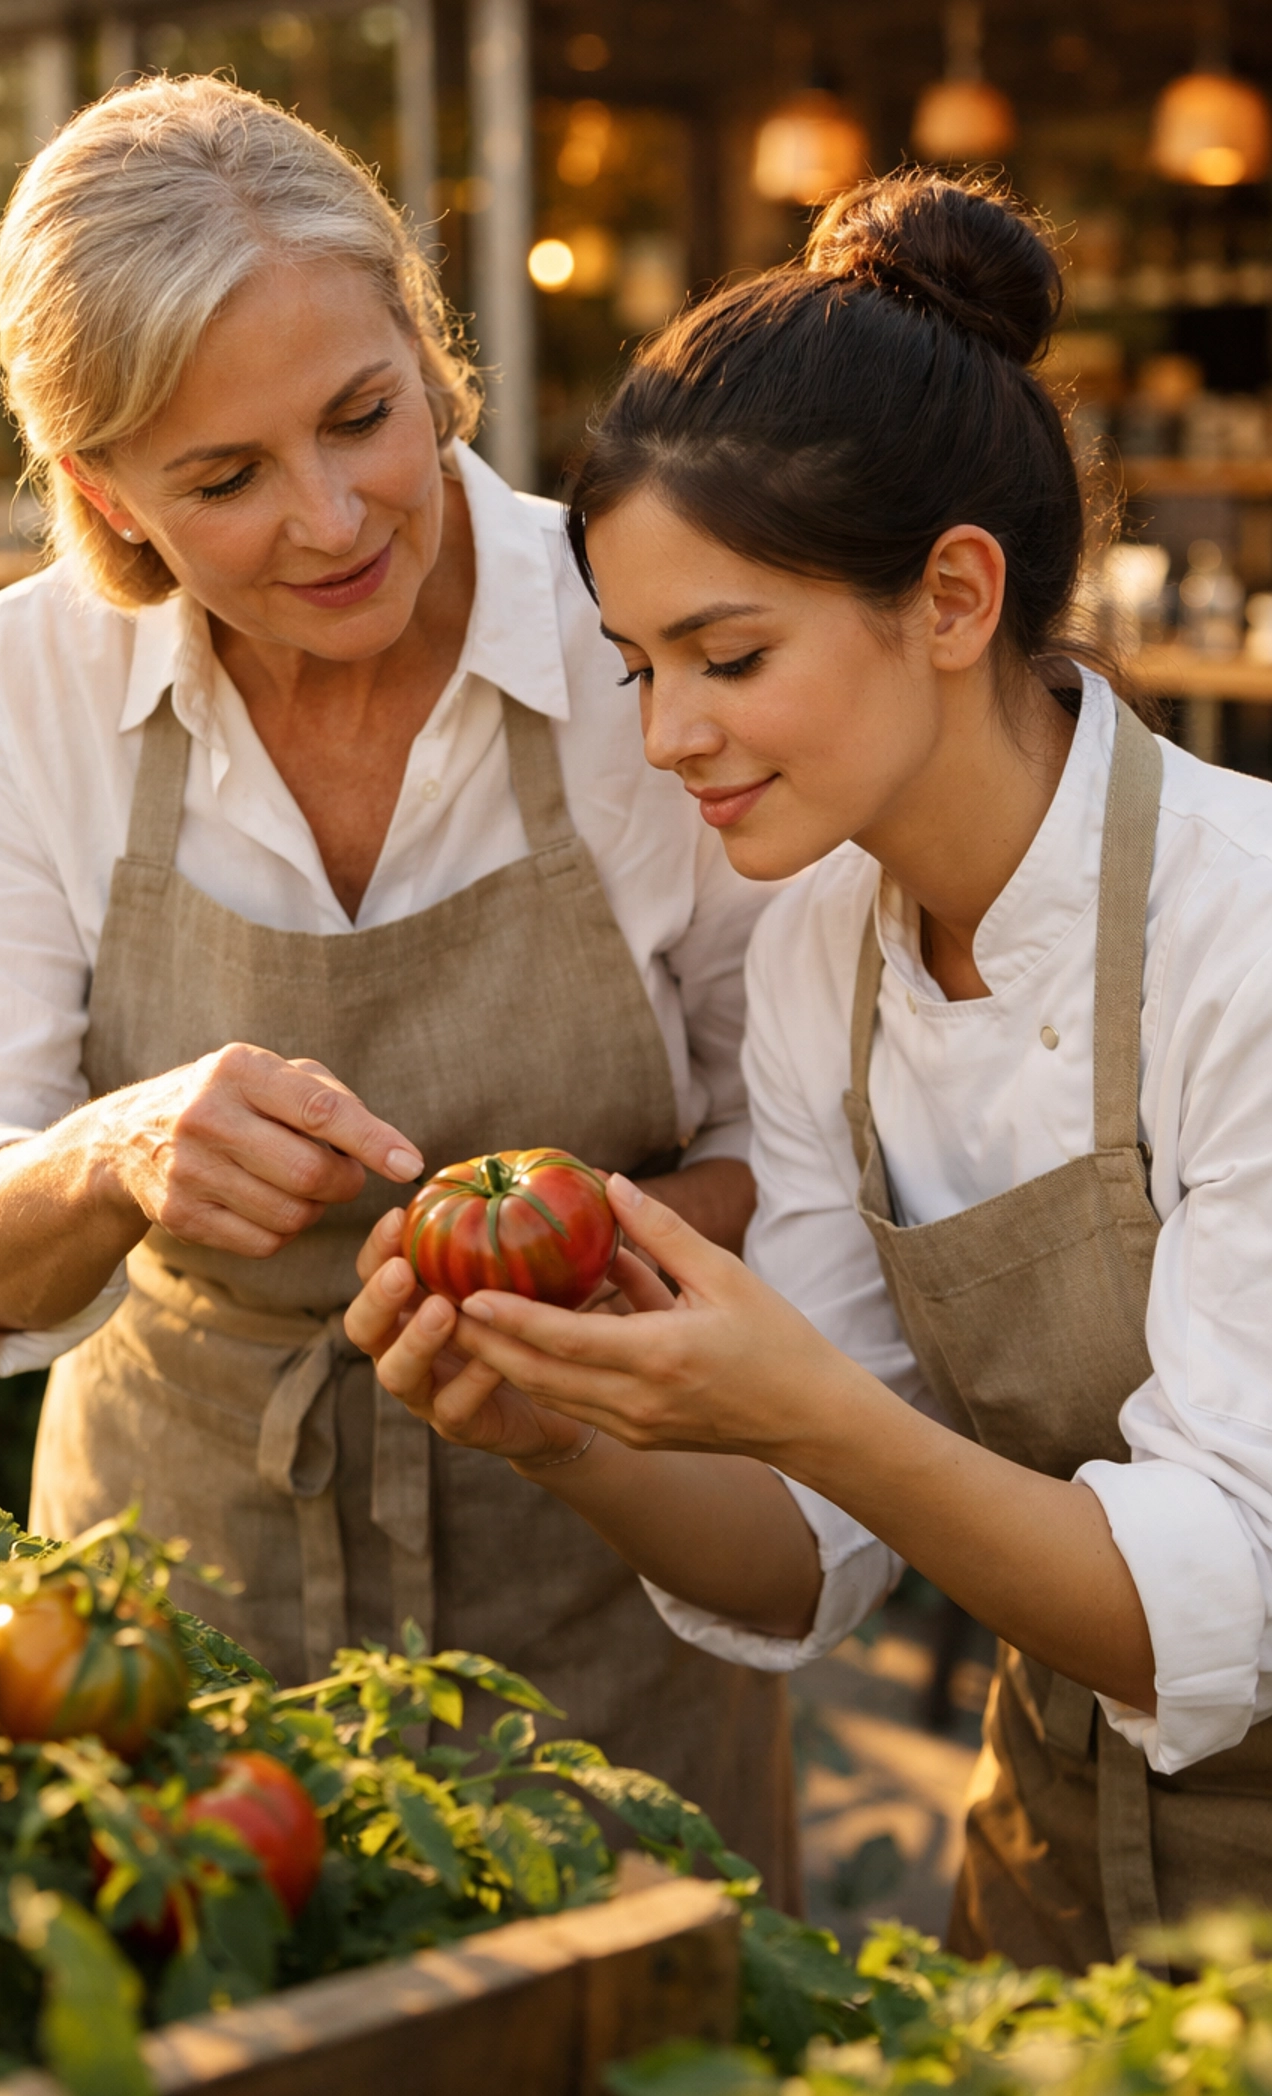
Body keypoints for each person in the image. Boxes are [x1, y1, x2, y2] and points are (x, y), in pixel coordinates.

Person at [0, 74, 800, 1897]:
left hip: (611, 1570)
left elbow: (805, 1144)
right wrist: (116, 1154)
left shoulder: (636, 639)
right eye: (226, 478)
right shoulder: (13, 696)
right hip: (165, 1626)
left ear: (431, 361)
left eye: (366, 415)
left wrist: (564, 1270)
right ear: (104, 492)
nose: (340, 513)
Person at [347, 170, 1272, 1971]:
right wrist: (571, 1436)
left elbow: (1224, 1597)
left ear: (950, 595)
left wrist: (797, 1399)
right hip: (1050, 1872)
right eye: (634, 666)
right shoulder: (817, 958)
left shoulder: (1241, 936)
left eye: (729, 655)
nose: (667, 735)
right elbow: (811, 1549)